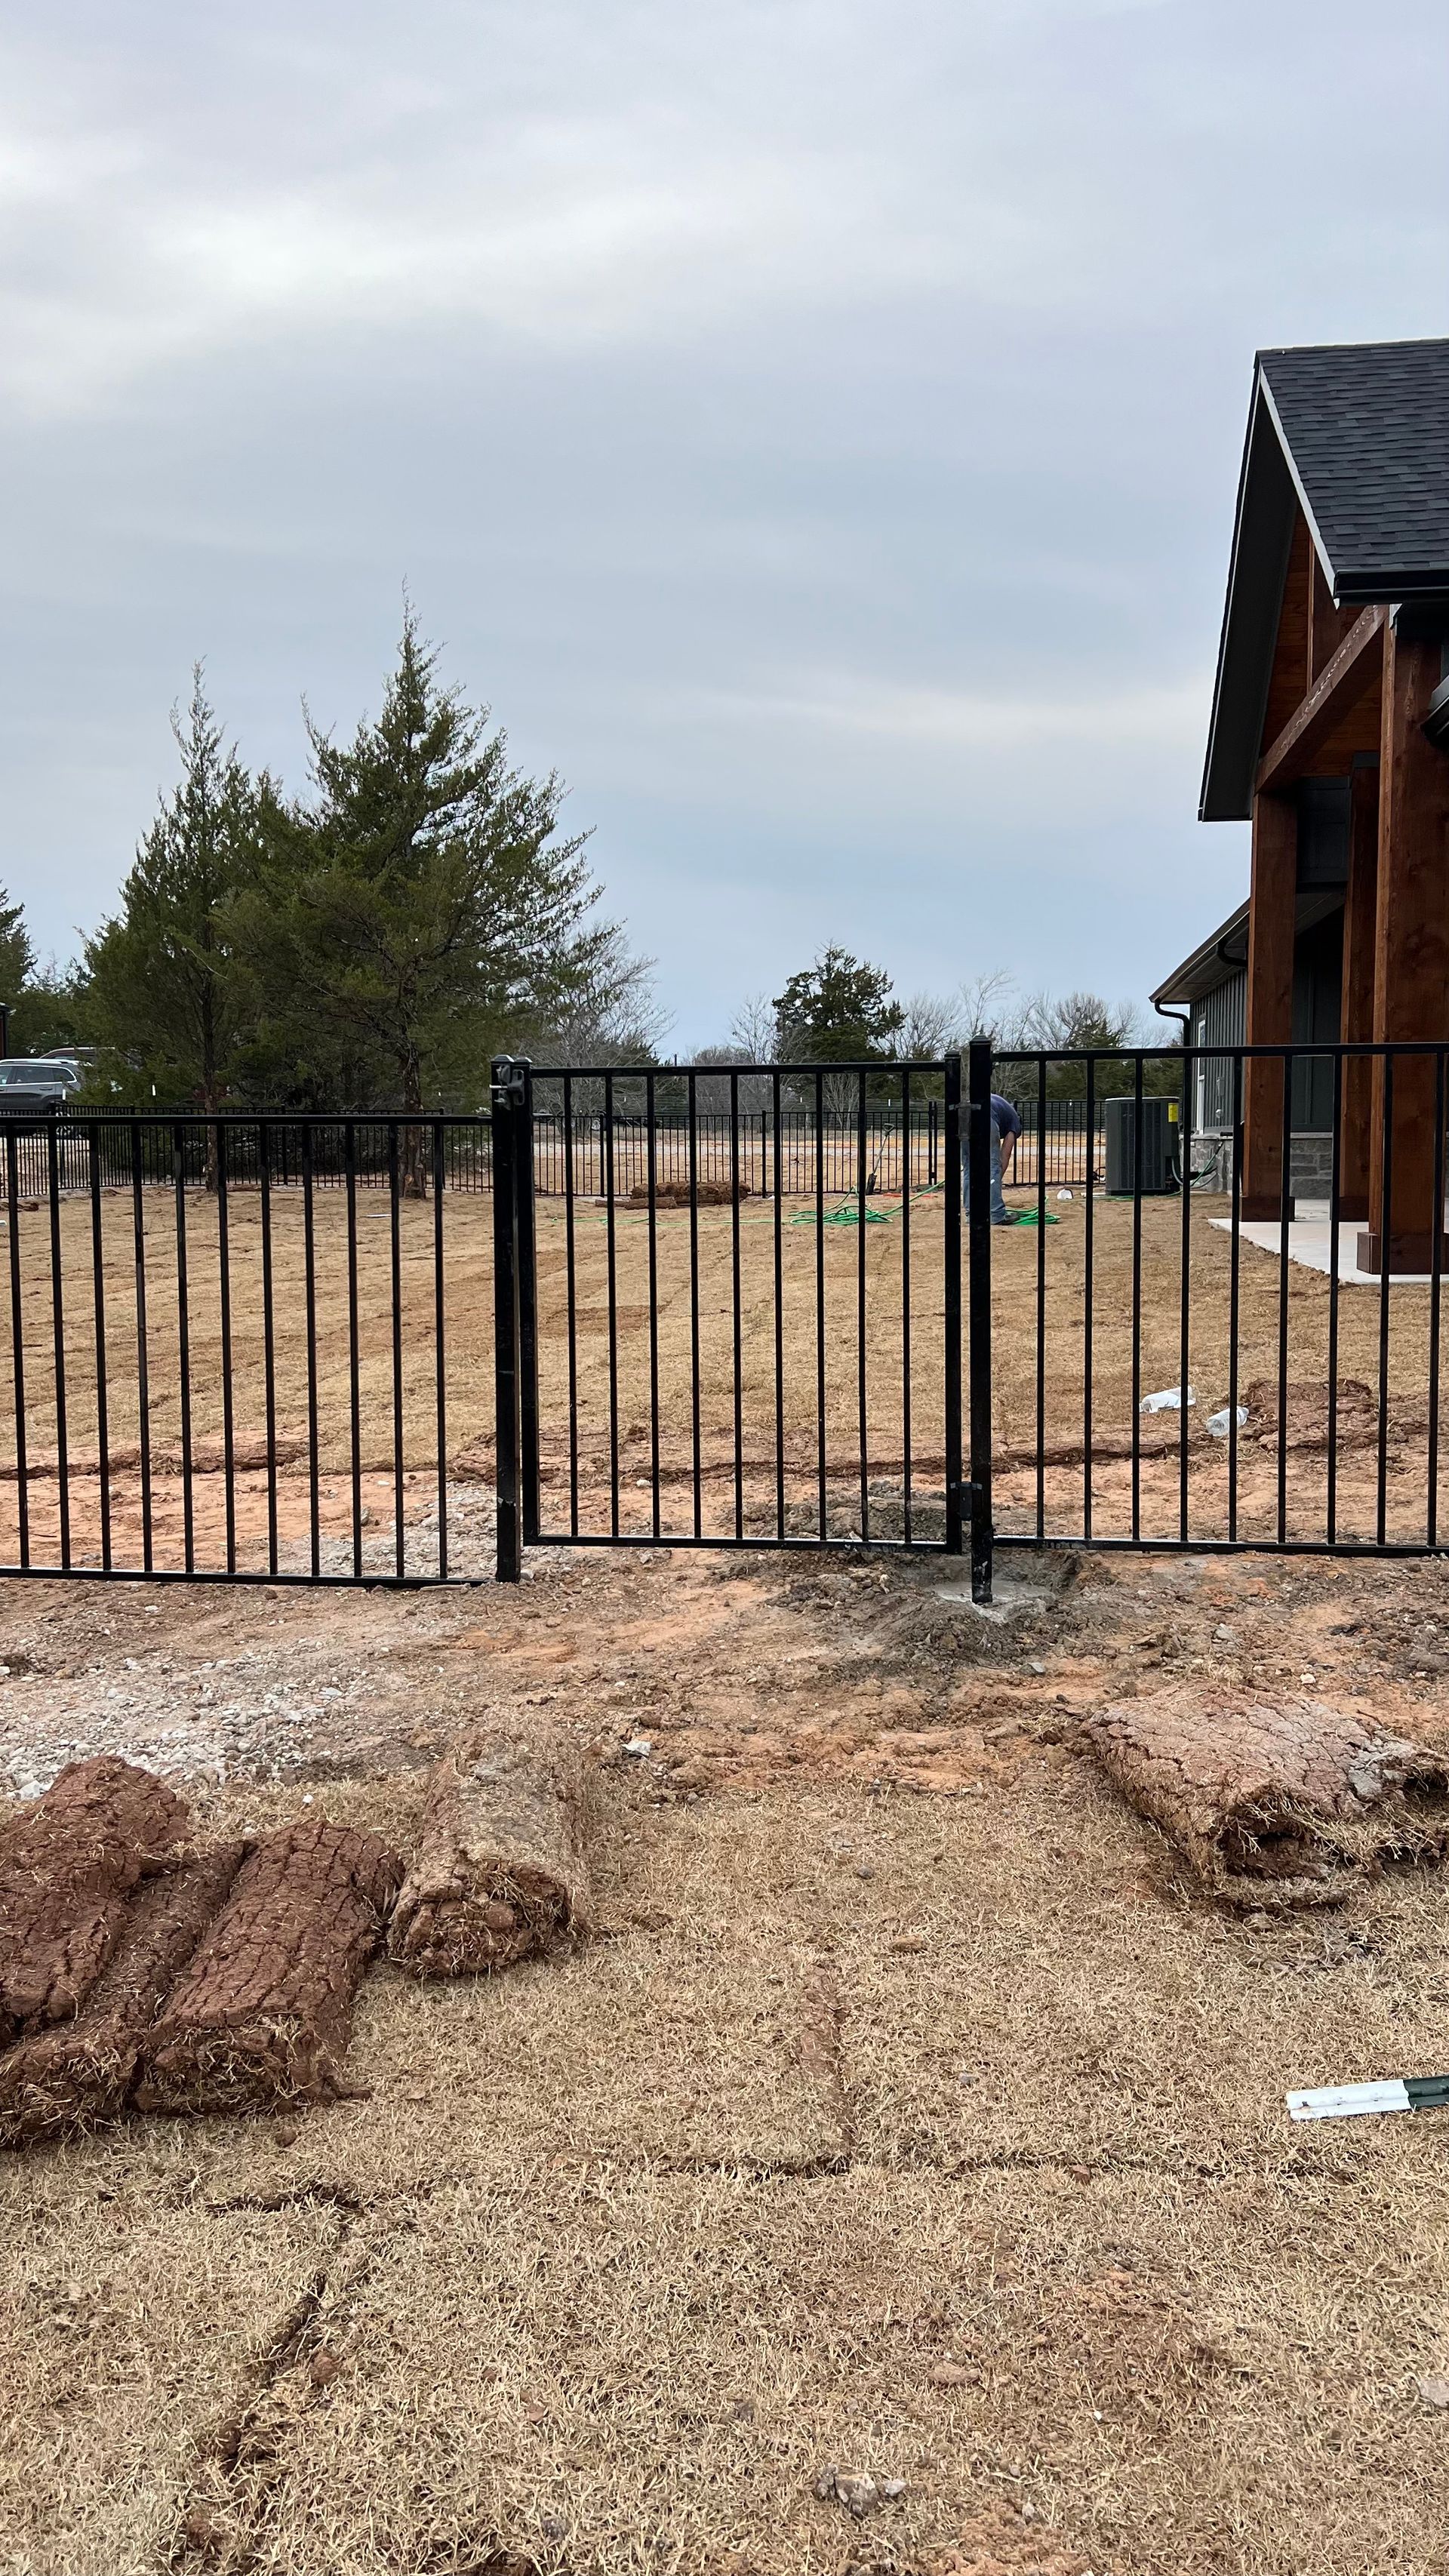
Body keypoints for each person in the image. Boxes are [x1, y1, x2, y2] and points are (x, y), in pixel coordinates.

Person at [962, 1092, 1021, 1225]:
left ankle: (972, 1214)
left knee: (968, 1167)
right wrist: (992, 1183)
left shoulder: (1003, 1107)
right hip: (986, 1116)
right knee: (993, 1165)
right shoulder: (1015, 1122)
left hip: (964, 1115)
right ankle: (996, 1214)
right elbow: (1004, 1157)